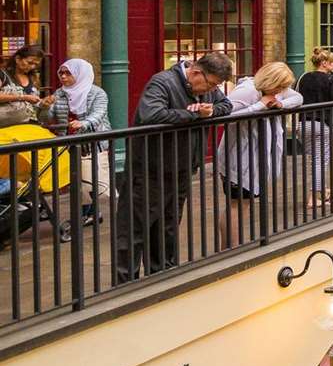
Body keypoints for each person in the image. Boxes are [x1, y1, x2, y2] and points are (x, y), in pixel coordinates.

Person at [113, 52, 233, 282]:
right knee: (135, 229)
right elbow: (150, 115)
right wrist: (192, 114)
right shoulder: (163, 82)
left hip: (181, 167)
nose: (209, 90)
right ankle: (124, 282)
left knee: (167, 226)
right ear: (197, 72)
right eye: (210, 84)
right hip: (150, 168)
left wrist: (210, 111)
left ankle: (161, 274)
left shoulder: (207, 87)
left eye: (215, 86)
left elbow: (225, 105)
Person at [215, 61, 302, 249]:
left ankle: (233, 247)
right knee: (238, 205)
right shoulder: (246, 91)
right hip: (238, 158)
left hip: (256, 159)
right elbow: (224, 116)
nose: (282, 90)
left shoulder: (275, 91)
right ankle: (230, 249)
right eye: (280, 86)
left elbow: (298, 98)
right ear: (271, 81)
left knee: (244, 205)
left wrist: (280, 103)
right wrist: (259, 107)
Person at [38, 57, 109, 232]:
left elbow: (99, 113)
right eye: (61, 73)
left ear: (80, 73)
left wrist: (84, 123)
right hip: (68, 142)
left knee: (89, 179)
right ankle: (89, 212)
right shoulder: (60, 94)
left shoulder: (97, 93)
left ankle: (88, 212)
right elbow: (45, 119)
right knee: (76, 179)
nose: (63, 76)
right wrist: (45, 107)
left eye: (67, 73)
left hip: (91, 141)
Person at [297, 48, 333, 202]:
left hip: (303, 125)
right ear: (324, 63)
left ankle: (323, 191)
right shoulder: (331, 80)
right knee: (320, 160)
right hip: (322, 125)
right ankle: (313, 198)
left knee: (316, 158)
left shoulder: (303, 78)